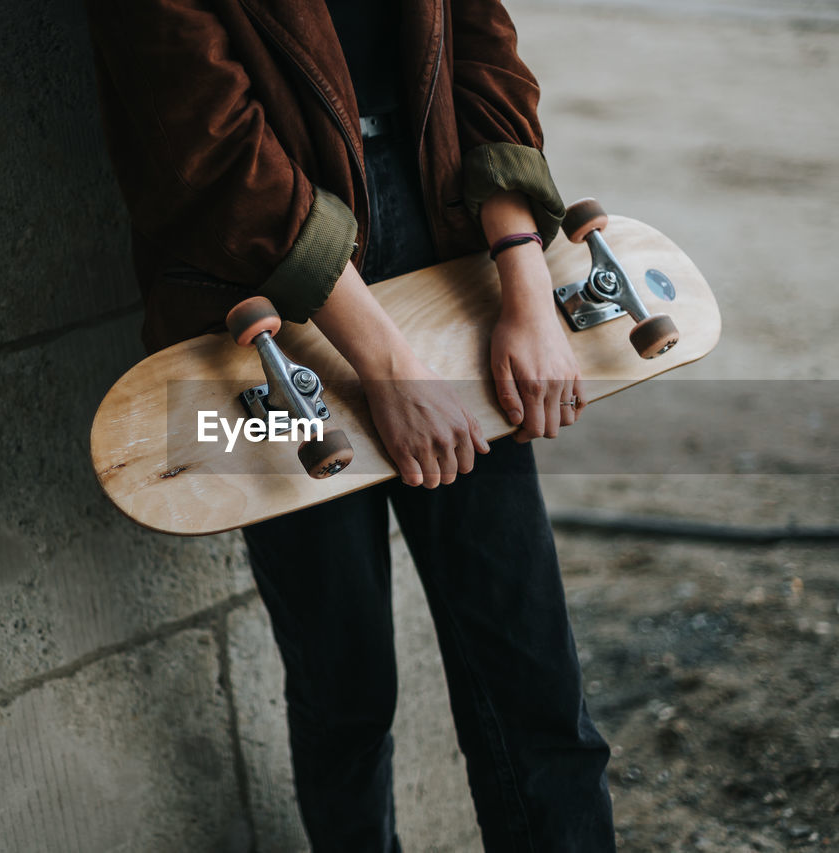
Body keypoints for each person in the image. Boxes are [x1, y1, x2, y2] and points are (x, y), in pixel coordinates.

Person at [85, 0, 615, 848]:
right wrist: (388, 366)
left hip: (446, 228)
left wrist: (522, 277)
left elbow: (481, 42)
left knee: (533, 674)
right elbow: (208, 146)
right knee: (346, 685)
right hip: (246, 289)